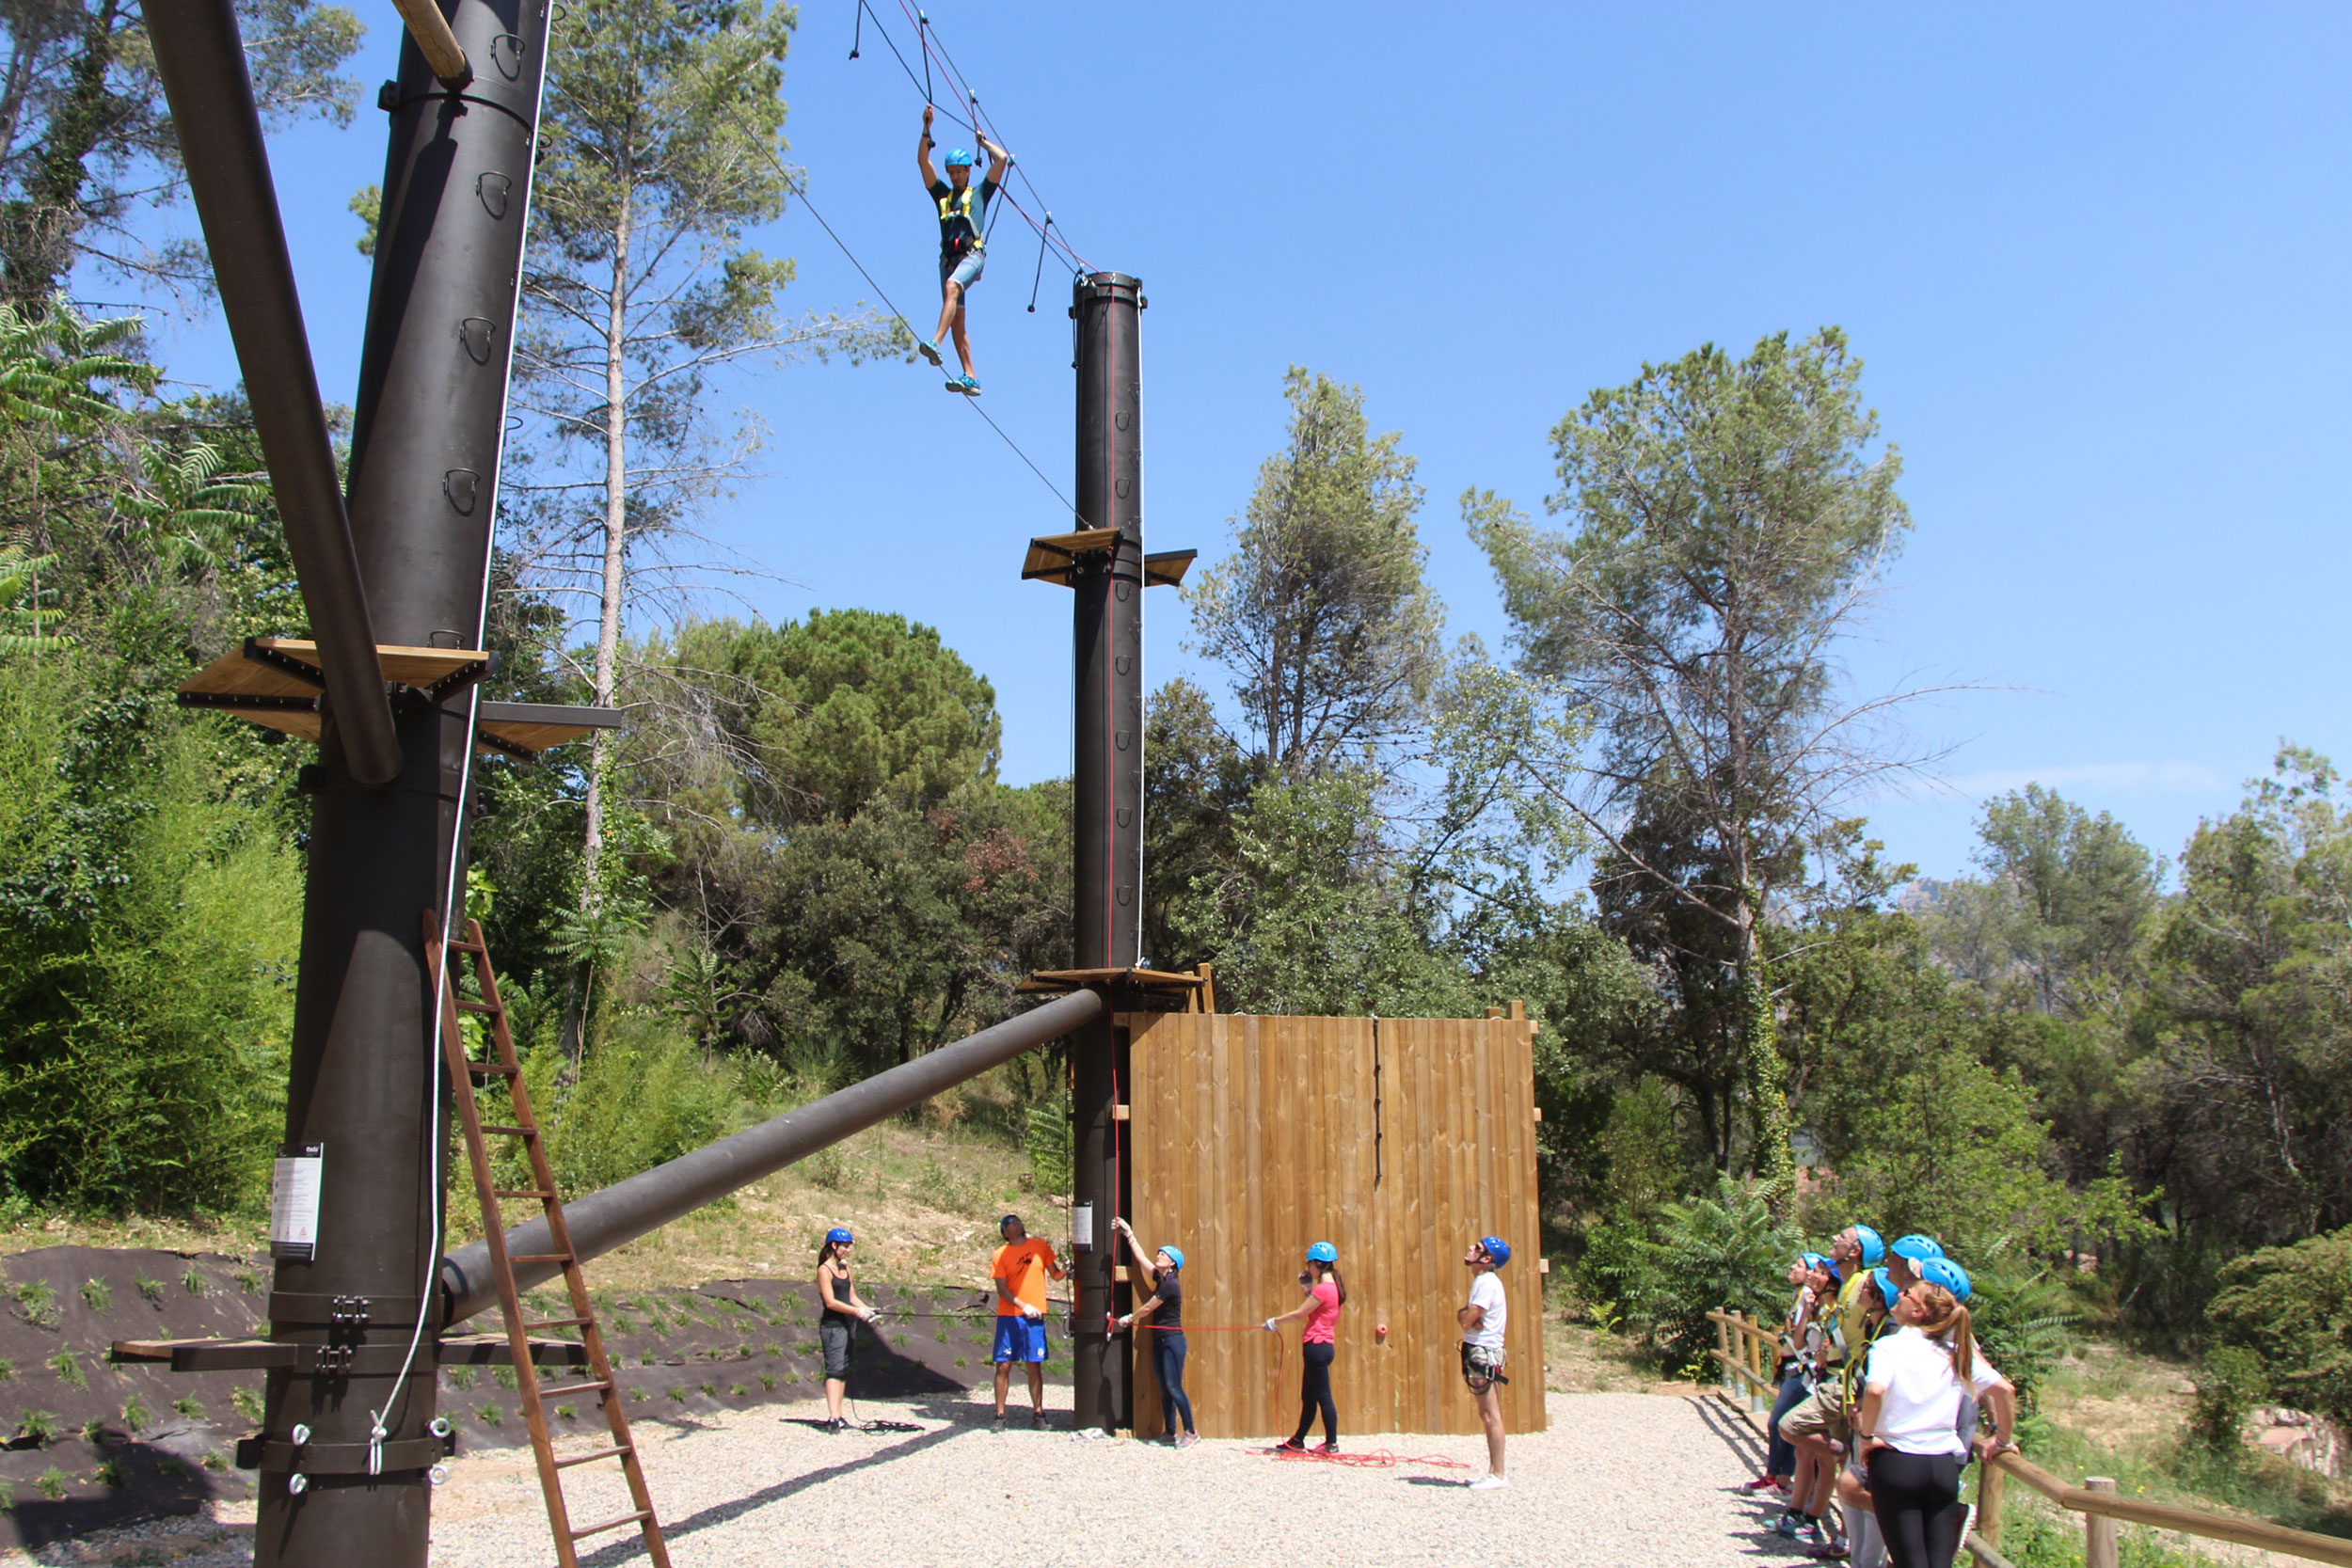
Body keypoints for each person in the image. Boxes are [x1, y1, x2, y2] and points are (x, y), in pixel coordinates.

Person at [1847, 1259, 2017, 1568]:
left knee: (1910, 1562)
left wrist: (1867, 1437)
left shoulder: (1888, 1347)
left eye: (1907, 1293)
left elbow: (1874, 1391)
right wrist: (2002, 1438)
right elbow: (2005, 1390)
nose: (1898, 1295)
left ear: (1918, 1311)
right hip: (1942, 1466)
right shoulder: (1955, 1353)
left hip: (1897, 1461)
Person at [1775, 1224, 1889, 1549]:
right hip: (1836, 1377)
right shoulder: (1847, 1285)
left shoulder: (1861, 1284)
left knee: (1833, 1456)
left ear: (1855, 1252)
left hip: (1846, 1382)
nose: (1835, 1239)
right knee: (1833, 1461)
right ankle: (1841, 1536)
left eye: (1843, 1238)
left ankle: (1843, 1534)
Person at [914, 104, 1011, 397]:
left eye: (960, 171)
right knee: (958, 321)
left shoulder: (980, 192)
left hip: (972, 256)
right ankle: (971, 377)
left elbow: (1003, 159)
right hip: (948, 259)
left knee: (952, 287)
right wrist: (926, 127)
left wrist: (983, 144)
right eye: (952, 172)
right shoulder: (942, 194)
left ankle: (935, 343)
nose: (956, 177)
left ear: (969, 170)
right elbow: (922, 162)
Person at [1113, 1216, 1197, 1448]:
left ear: (1172, 1264)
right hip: (1160, 1340)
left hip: (1172, 1341)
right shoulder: (1162, 1279)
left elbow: (1150, 1306)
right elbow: (1141, 1259)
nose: (1158, 1256)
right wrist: (1129, 1234)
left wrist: (1131, 1318)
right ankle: (1170, 1433)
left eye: (1163, 1255)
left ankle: (1190, 1431)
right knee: (1164, 1386)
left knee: (1174, 1386)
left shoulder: (1170, 1285)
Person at [1263, 1241, 1344, 1454]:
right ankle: (1298, 1440)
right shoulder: (1332, 1287)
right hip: (1322, 1346)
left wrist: (1275, 1321)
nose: (1308, 1268)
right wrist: (1309, 1289)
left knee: (1323, 1396)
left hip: (1316, 1346)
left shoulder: (1324, 1289)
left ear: (1318, 1265)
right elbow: (1318, 1309)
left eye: (1310, 1264)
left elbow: (1300, 1314)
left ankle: (1332, 1443)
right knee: (1308, 1396)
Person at [989, 1212, 1066, 1432]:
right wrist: (1024, 1306)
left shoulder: (1040, 1246)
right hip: (1010, 1316)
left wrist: (1068, 1270)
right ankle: (1000, 1415)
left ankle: (1038, 1413)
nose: (1016, 1222)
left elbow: (1056, 1275)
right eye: (1010, 1222)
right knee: (1003, 1365)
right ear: (1005, 1233)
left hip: (1035, 1317)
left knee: (1034, 1363)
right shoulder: (1000, 1254)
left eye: (1017, 1220)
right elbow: (1002, 1289)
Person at [1457, 1235, 1512, 1491]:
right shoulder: (1483, 1282)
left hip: (1484, 1351)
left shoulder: (1486, 1282)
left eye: (1477, 1248)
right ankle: (1493, 1471)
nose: (1471, 1248)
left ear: (1487, 1259)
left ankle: (1498, 1474)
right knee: (1487, 1413)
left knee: (1491, 1415)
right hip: (1480, 1348)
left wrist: (1465, 1315)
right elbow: (1467, 1315)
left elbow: (1468, 1319)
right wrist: (1465, 1315)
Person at [815, 1226, 876, 1433]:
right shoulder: (824, 1270)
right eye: (845, 1246)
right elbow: (830, 1302)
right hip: (833, 1327)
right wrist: (856, 1312)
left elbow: (851, 1297)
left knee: (843, 1369)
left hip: (848, 1325)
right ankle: (833, 1418)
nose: (848, 1250)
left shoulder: (845, 1269)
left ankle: (839, 1416)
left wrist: (866, 1309)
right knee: (834, 1370)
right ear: (834, 1245)